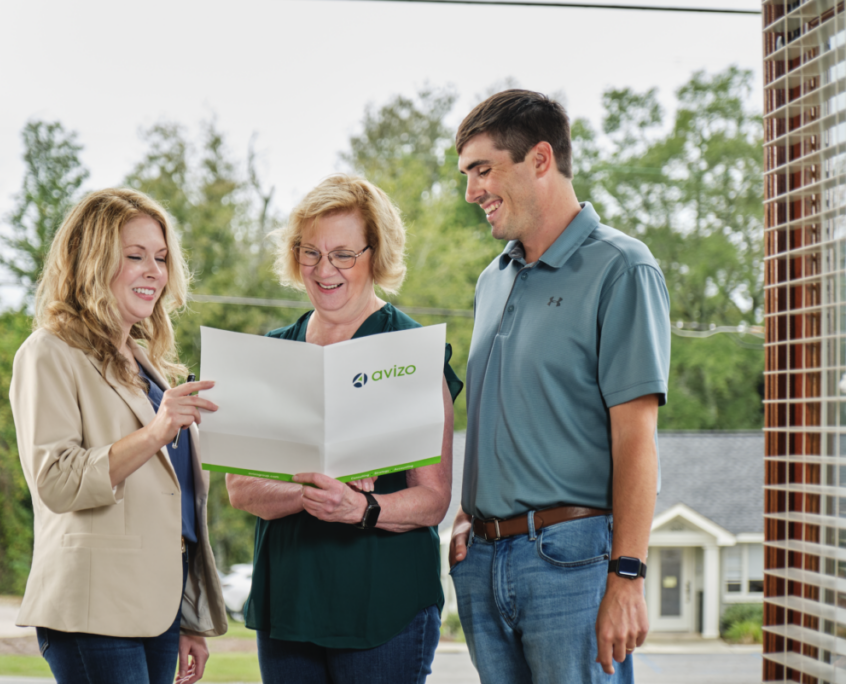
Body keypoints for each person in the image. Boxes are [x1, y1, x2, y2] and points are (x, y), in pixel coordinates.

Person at [448, 90, 671, 683]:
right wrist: (470, 513)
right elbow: (501, 411)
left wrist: (627, 574)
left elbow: (636, 437)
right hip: (485, 561)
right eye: (467, 175)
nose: (472, 192)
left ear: (540, 159)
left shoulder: (621, 267)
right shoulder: (493, 280)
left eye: (482, 170)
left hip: (571, 563)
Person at [226, 175, 462, 684]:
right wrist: (315, 486)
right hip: (289, 605)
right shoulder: (272, 354)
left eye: (343, 254)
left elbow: (433, 500)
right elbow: (241, 488)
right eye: (310, 252)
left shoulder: (410, 351)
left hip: (384, 610)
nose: (324, 269)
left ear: (375, 254)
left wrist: (362, 508)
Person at [9, 188, 228, 684]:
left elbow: (177, 502)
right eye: (135, 256)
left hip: (157, 609)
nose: (154, 270)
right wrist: (155, 432)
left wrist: (187, 615)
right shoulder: (48, 352)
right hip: (95, 609)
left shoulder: (145, 362)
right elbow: (57, 482)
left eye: (162, 258)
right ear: (92, 261)